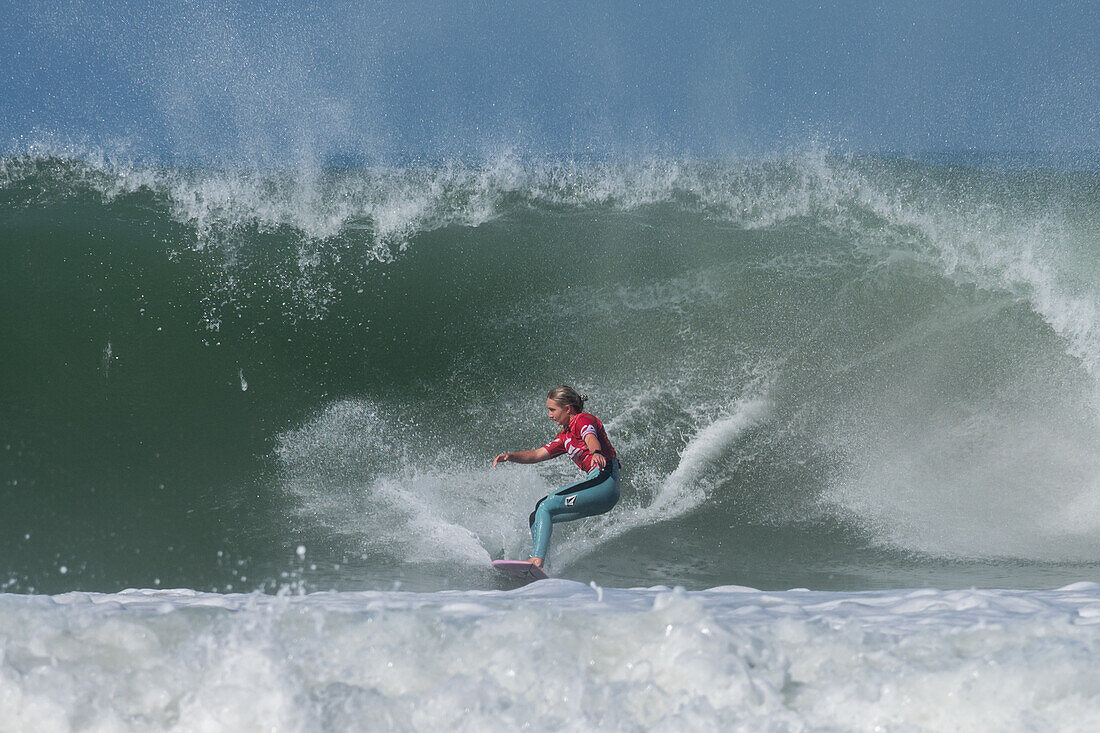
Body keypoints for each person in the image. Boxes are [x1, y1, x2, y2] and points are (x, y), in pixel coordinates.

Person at [492, 386, 620, 569]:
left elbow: (590, 436)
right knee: (538, 515)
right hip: (600, 492)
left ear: (567, 409)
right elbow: (537, 455)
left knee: (545, 505)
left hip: (604, 481)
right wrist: (511, 456)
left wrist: (597, 452)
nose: (549, 415)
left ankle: (536, 561)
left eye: (552, 410)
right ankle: (543, 566)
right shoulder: (565, 437)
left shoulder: (582, 420)